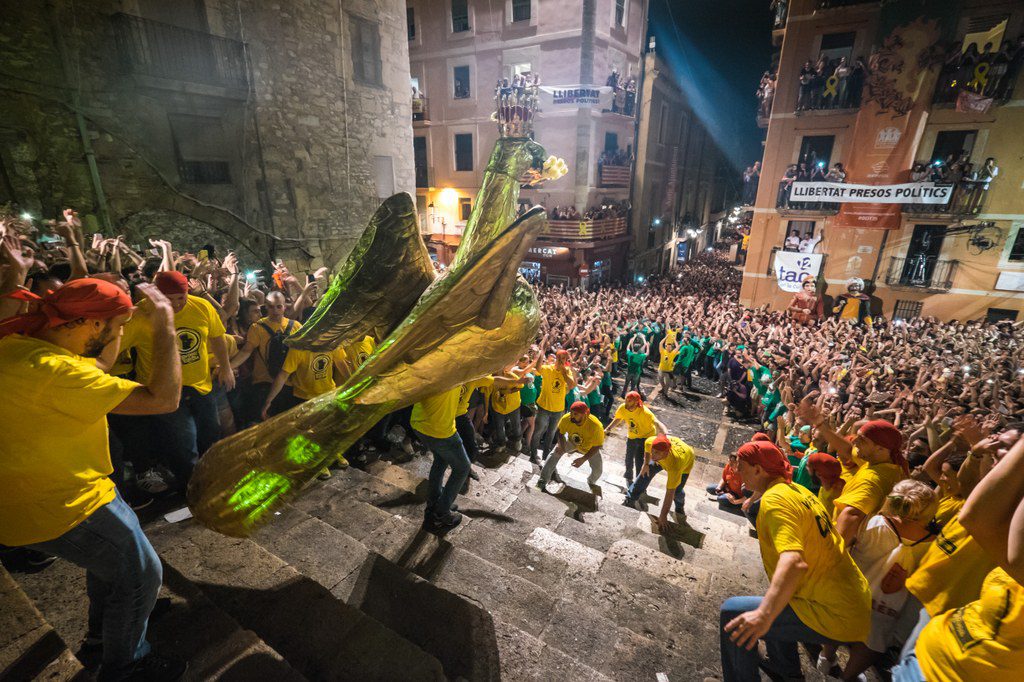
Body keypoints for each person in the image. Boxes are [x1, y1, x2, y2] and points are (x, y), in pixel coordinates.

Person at [0, 279, 186, 680]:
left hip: (77, 486)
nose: (117, 338)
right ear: (85, 322)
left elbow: (98, 364)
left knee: (115, 567)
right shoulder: (56, 371)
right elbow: (163, 399)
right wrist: (164, 328)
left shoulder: (26, 347)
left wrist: (123, 323)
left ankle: (106, 635)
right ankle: (126, 665)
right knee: (142, 574)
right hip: (60, 503)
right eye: (114, 329)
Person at [719, 440, 871, 682]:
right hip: (850, 597)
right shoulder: (798, 491)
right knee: (776, 597)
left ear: (759, 470)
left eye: (742, 466)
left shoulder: (775, 501)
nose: (736, 471)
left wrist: (764, 615)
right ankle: (786, 671)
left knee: (734, 614)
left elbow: (793, 562)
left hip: (832, 610)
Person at [895, 435, 1024, 681]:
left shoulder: (1005, 514)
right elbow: (971, 482)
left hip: (953, 606)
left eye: (1008, 447)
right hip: (938, 610)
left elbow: (974, 516)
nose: (996, 451)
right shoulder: (984, 496)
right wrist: (975, 453)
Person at [116, 271, 233, 490]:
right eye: (169, 299)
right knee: (183, 443)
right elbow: (115, 347)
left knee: (211, 434)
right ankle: (192, 489)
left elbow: (217, 336)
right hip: (165, 391)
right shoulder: (142, 314)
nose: (177, 304)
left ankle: (215, 479)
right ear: (158, 296)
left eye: (181, 297)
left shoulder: (201, 307)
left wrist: (225, 367)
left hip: (201, 385)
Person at [798, 399, 907, 545]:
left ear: (880, 448)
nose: (854, 441)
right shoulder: (881, 461)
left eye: (862, 439)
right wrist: (820, 425)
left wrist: (829, 554)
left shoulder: (873, 479)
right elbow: (848, 450)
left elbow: (852, 515)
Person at [229, 290, 298, 424]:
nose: (275, 310)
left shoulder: (296, 326)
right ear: (266, 307)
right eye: (271, 306)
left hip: (289, 383)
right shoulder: (257, 328)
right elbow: (246, 351)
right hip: (264, 383)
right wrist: (228, 367)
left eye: (279, 306)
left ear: (284, 306)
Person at [410, 386, 469, 532]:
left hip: (419, 424)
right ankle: (440, 514)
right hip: (441, 431)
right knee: (462, 468)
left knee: (440, 460)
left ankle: (435, 503)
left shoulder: (435, 366)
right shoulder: (460, 369)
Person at [624, 434, 695, 529]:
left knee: (677, 490)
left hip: (686, 461)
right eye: (652, 451)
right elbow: (647, 450)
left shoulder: (675, 464)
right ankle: (631, 497)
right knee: (644, 474)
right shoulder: (651, 441)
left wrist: (663, 515)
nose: (653, 455)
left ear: (666, 453)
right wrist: (645, 464)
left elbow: (670, 492)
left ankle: (679, 506)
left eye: (656, 452)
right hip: (664, 456)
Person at [537, 401, 605, 494]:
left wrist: (583, 459)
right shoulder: (567, 418)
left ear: (586, 414)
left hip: (590, 447)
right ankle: (542, 480)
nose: (572, 416)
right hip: (572, 441)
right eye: (571, 412)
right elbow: (560, 433)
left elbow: (597, 446)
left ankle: (591, 482)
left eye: (576, 414)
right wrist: (561, 446)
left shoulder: (596, 426)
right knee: (556, 452)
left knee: (598, 470)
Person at [605, 391, 666, 485]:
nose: (626, 402)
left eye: (629, 401)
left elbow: (657, 423)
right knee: (628, 456)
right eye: (626, 400)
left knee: (639, 459)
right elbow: (618, 418)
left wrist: (665, 434)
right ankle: (628, 474)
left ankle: (639, 480)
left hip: (646, 437)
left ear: (636, 402)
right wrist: (608, 429)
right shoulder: (623, 408)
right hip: (632, 435)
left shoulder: (645, 412)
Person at [529, 347, 576, 464]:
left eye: (564, 358)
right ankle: (533, 455)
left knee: (551, 433)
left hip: (558, 409)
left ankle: (545, 456)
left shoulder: (567, 371)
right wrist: (541, 353)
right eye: (559, 358)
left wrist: (564, 373)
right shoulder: (548, 368)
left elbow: (572, 385)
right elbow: (538, 369)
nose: (561, 360)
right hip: (544, 407)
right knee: (539, 431)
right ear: (556, 358)